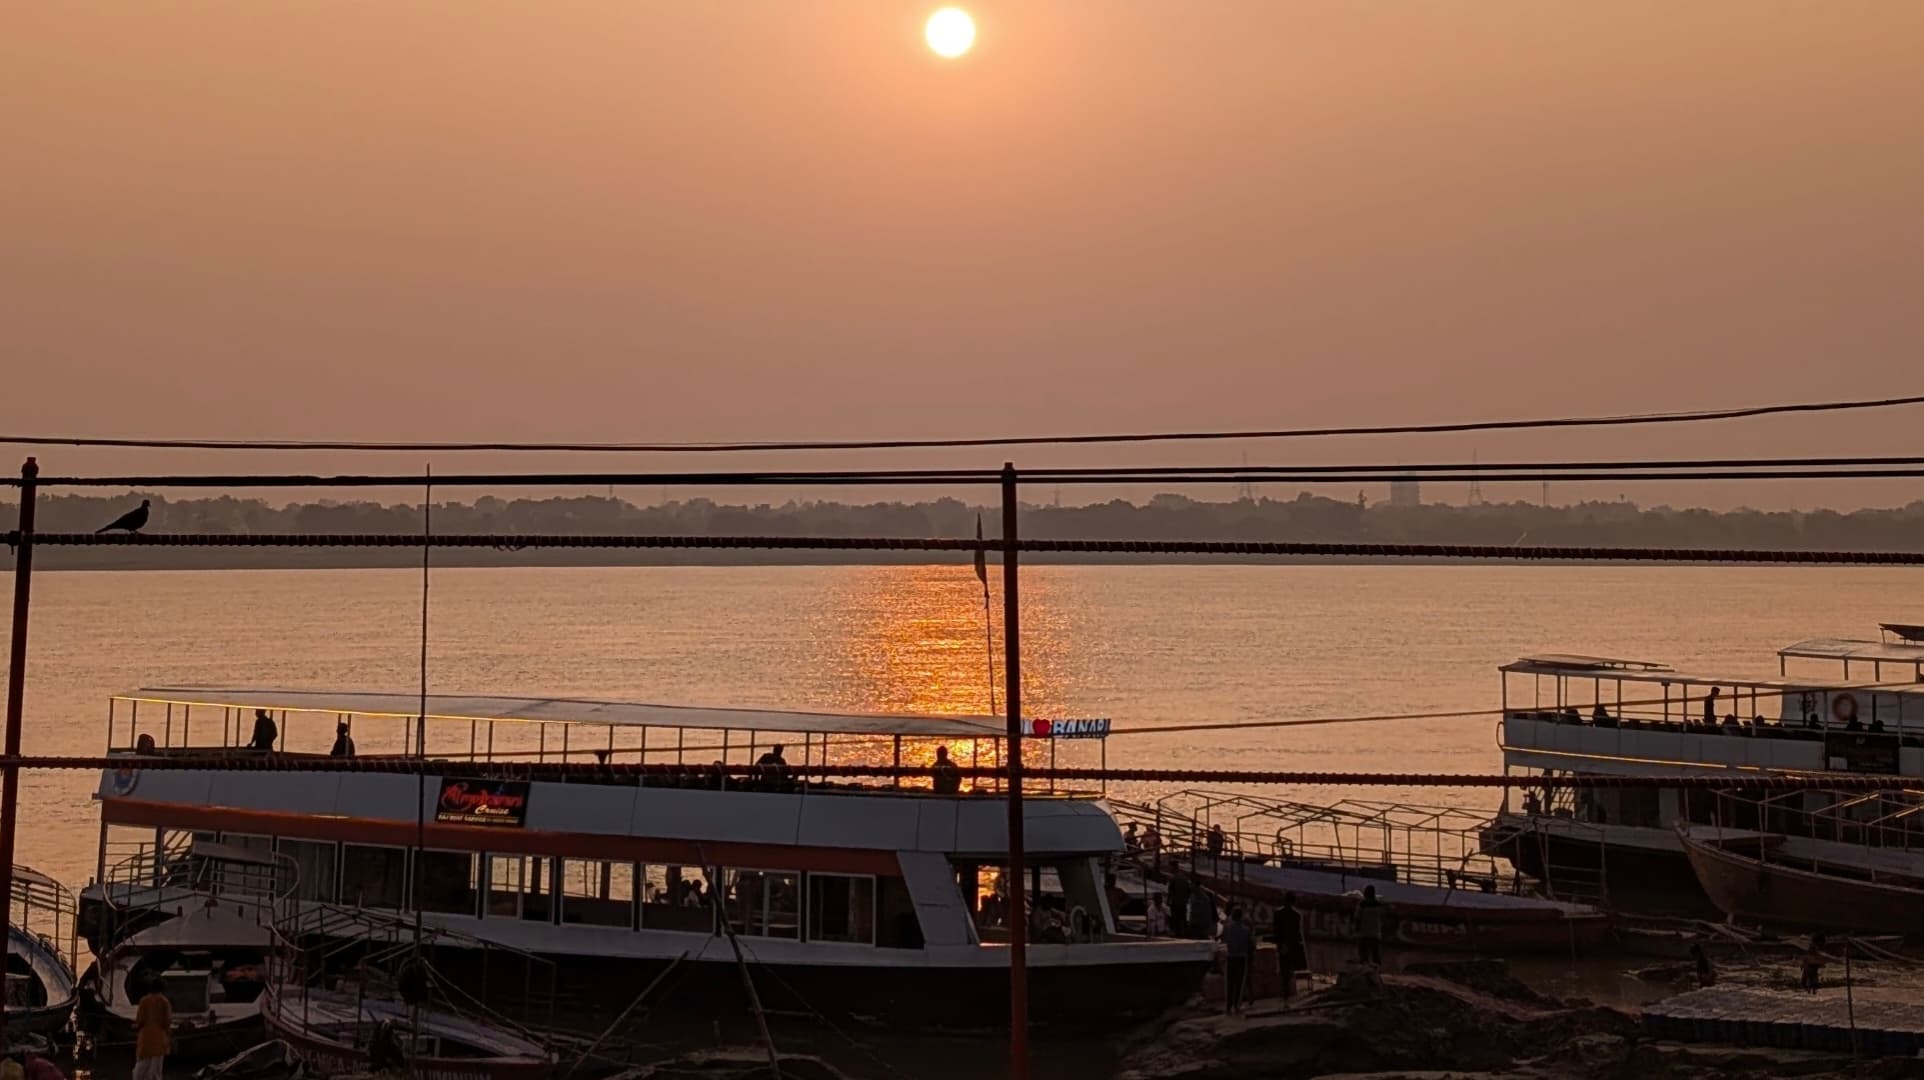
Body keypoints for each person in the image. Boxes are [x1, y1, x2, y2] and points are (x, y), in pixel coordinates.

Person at [133, 977, 173, 1080]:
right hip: (160, 1039)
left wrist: (135, 1026)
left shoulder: (144, 1000)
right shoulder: (165, 1002)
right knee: (156, 1071)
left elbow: (140, 1021)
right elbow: (167, 1022)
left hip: (145, 1038)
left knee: (141, 1066)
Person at [1272, 891, 1307, 1000]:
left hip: (1282, 943)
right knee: (1290, 967)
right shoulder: (1297, 915)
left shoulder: (1277, 913)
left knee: (1283, 967)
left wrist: (1279, 943)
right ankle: (1288, 990)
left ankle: (1285, 989)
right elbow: (1297, 932)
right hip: (1292, 944)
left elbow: (1276, 930)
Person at [1220, 905, 1254, 1015]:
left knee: (1230, 983)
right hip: (1241, 958)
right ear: (1241, 917)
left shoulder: (1227, 928)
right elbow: (1250, 945)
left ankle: (1228, 1006)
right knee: (1239, 983)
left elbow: (1224, 940)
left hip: (1230, 957)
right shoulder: (1246, 930)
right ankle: (1236, 1005)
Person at [1355, 885, 1385, 966]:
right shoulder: (1379, 906)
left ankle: (1365, 968)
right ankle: (1376, 970)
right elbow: (1383, 918)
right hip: (1375, 934)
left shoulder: (1362, 905)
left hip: (1364, 933)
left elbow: (1357, 918)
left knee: (1363, 954)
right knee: (1375, 954)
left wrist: (1356, 930)